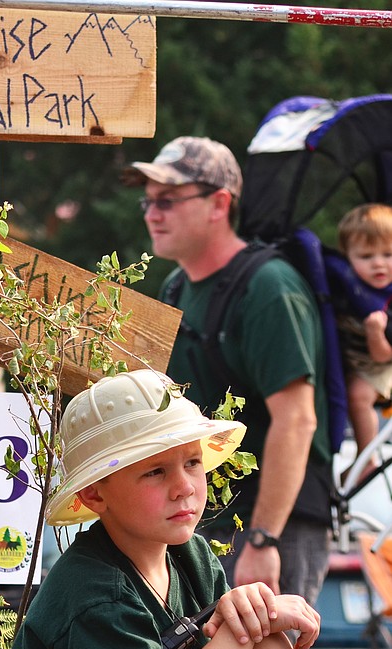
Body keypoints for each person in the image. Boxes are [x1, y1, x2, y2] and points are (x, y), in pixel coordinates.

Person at [8, 369, 343, 649]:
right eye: (155, 471)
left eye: (193, 462)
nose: (184, 486)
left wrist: (246, 611)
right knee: (263, 644)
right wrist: (250, 615)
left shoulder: (191, 556)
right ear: (95, 493)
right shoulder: (91, 587)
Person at [123, 136, 334, 605]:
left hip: (271, 525)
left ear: (219, 203)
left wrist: (264, 539)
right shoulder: (178, 287)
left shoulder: (269, 289)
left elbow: (297, 420)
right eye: (148, 201)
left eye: (168, 201)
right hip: (208, 519)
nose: (151, 214)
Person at [333, 203, 392, 464]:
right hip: (356, 360)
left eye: (388, 254)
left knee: (358, 394)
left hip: (382, 361)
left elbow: (383, 356)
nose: (379, 263)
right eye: (367, 257)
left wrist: (375, 332)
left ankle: (367, 460)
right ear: (347, 257)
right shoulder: (345, 285)